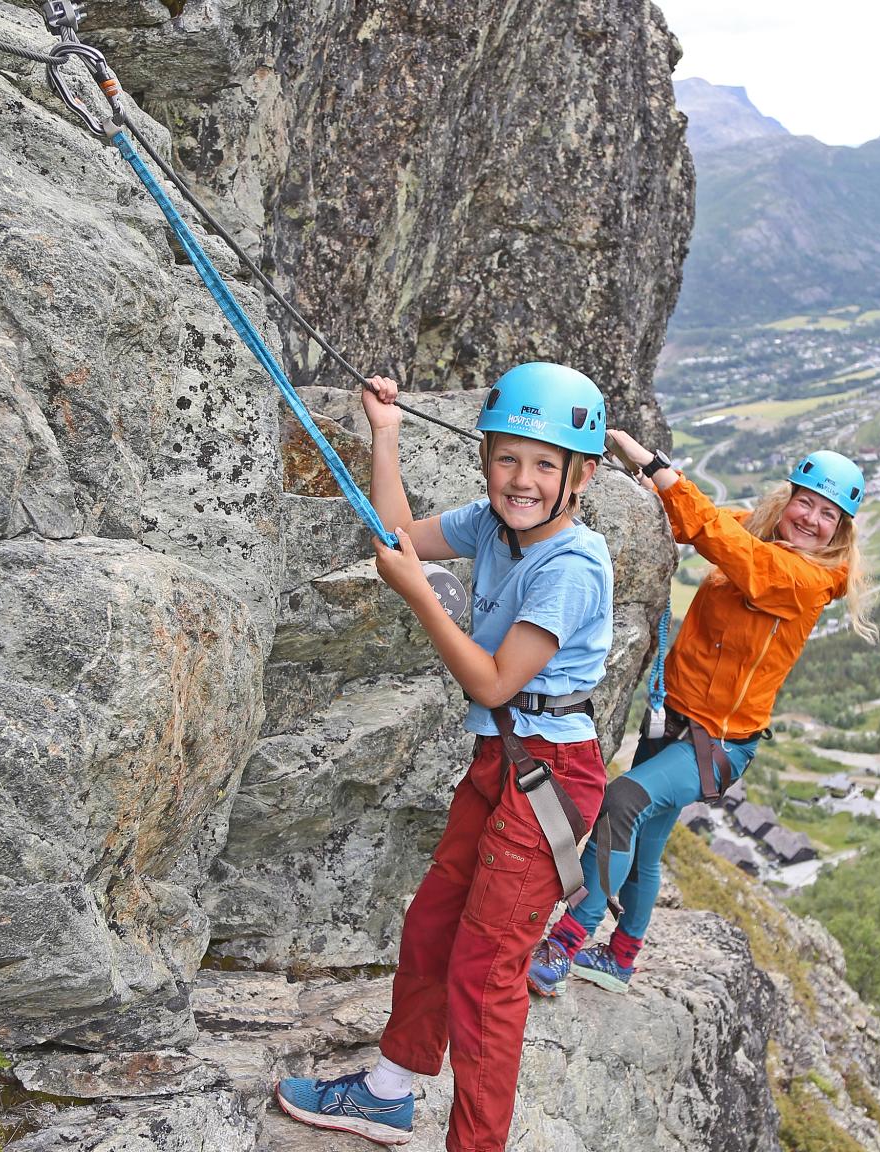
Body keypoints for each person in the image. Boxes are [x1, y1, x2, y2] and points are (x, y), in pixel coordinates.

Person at [275, 363, 615, 1149]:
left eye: (543, 464)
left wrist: (421, 595)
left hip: (548, 777)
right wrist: (385, 433)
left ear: (581, 476)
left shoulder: (570, 568)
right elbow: (398, 535)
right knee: (433, 923)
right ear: (486, 454)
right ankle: (389, 1092)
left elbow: (494, 682)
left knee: (486, 976)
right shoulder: (493, 525)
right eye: (506, 457)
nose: (520, 479)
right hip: (506, 762)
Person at [529, 435, 873, 995]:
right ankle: (621, 957)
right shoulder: (756, 534)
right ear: (788, 500)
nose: (811, 518)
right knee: (645, 841)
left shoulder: (807, 581)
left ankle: (568, 940)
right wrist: (652, 487)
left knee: (621, 804)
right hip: (675, 718)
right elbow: (703, 523)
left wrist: (663, 471)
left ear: (842, 531)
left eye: (828, 514)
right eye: (805, 502)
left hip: (717, 743)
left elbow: (733, 551)